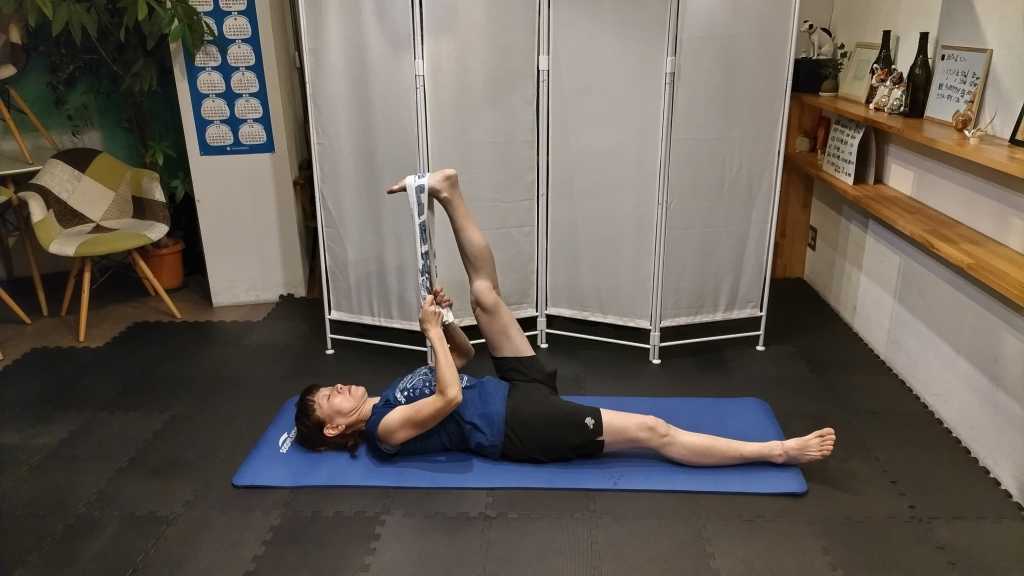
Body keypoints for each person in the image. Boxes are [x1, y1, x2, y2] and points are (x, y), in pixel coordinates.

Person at [294, 169, 836, 466]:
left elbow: (461, 358)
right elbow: (451, 398)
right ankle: (775, 452)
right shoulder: (384, 430)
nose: (337, 387)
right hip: (516, 427)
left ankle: (449, 191)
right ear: (336, 426)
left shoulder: (391, 391)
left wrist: (447, 322)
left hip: (512, 388)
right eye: (328, 399)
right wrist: (431, 332)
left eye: (329, 387)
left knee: (484, 298)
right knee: (653, 430)